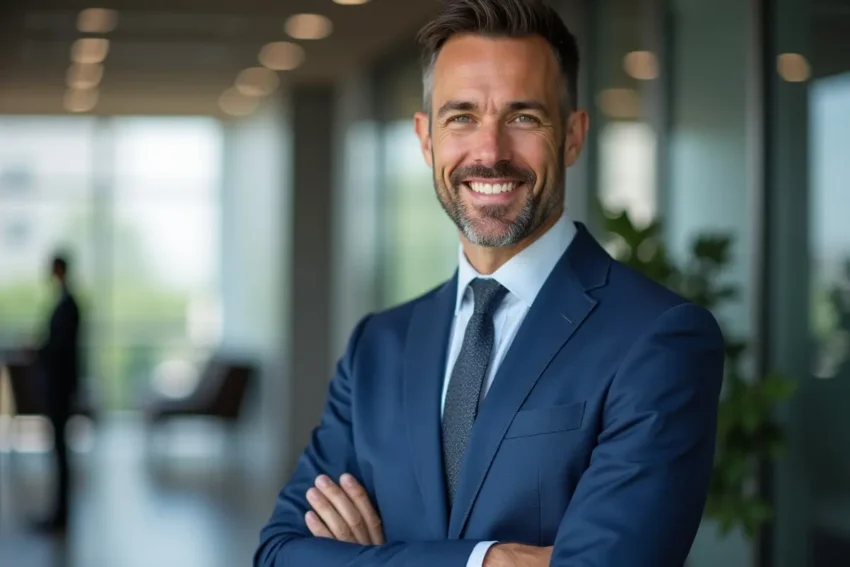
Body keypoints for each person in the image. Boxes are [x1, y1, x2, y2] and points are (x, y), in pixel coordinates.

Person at [255, 0, 725, 565]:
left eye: (523, 117)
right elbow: (281, 552)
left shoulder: (659, 338)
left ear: (573, 136)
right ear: (426, 139)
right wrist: (488, 560)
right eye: (462, 117)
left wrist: (380, 557)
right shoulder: (377, 347)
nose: (490, 153)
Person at [33, 254, 81, 533]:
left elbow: (61, 348)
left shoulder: (68, 305)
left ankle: (61, 515)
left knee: (61, 451)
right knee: (59, 450)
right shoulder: (66, 303)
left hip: (61, 387)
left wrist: (39, 350)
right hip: (60, 385)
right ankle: (59, 513)